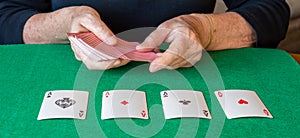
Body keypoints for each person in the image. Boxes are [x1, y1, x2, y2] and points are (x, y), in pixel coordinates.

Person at [0, 0, 290, 72]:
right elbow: (7, 16)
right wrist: (64, 21)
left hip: (190, 75)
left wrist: (202, 28)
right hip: (63, 75)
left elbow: (271, 12)